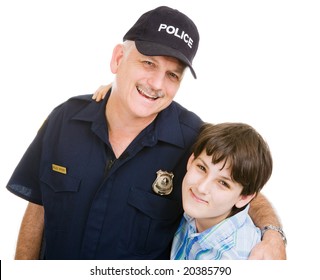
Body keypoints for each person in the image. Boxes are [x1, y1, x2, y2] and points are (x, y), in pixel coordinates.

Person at [6, 6, 286, 260]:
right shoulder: (65, 120)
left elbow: (238, 187)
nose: (156, 84)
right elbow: (39, 205)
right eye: (148, 63)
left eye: (172, 75)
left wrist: (273, 234)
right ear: (118, 59)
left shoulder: (193, 140)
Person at [170, 122, 277, 259]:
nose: (201, 188)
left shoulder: (232, 257)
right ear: (191, 160)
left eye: (223, 183)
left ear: (244, 198)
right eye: (202, 168)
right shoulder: (199, 213)